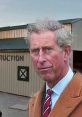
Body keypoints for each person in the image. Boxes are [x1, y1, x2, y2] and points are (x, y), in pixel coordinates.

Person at [27, 19, 82, 117]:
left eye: (48, 49)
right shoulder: (34, 102)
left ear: (66, 52)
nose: (40, 59)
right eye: (35, 51)